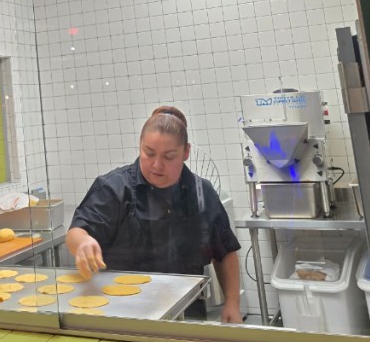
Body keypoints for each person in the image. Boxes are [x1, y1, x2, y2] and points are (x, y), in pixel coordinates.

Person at [67, 106, 243, 323]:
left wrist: (232, 303)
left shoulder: (201, 193)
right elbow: (76, 232)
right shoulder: (114, 188)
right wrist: (83, 242)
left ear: (186, 152)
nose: (157, 165)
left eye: (169, 157)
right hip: (123, 313)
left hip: (187, 313)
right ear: (140, 145)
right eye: (149, 153)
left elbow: (225, 252)